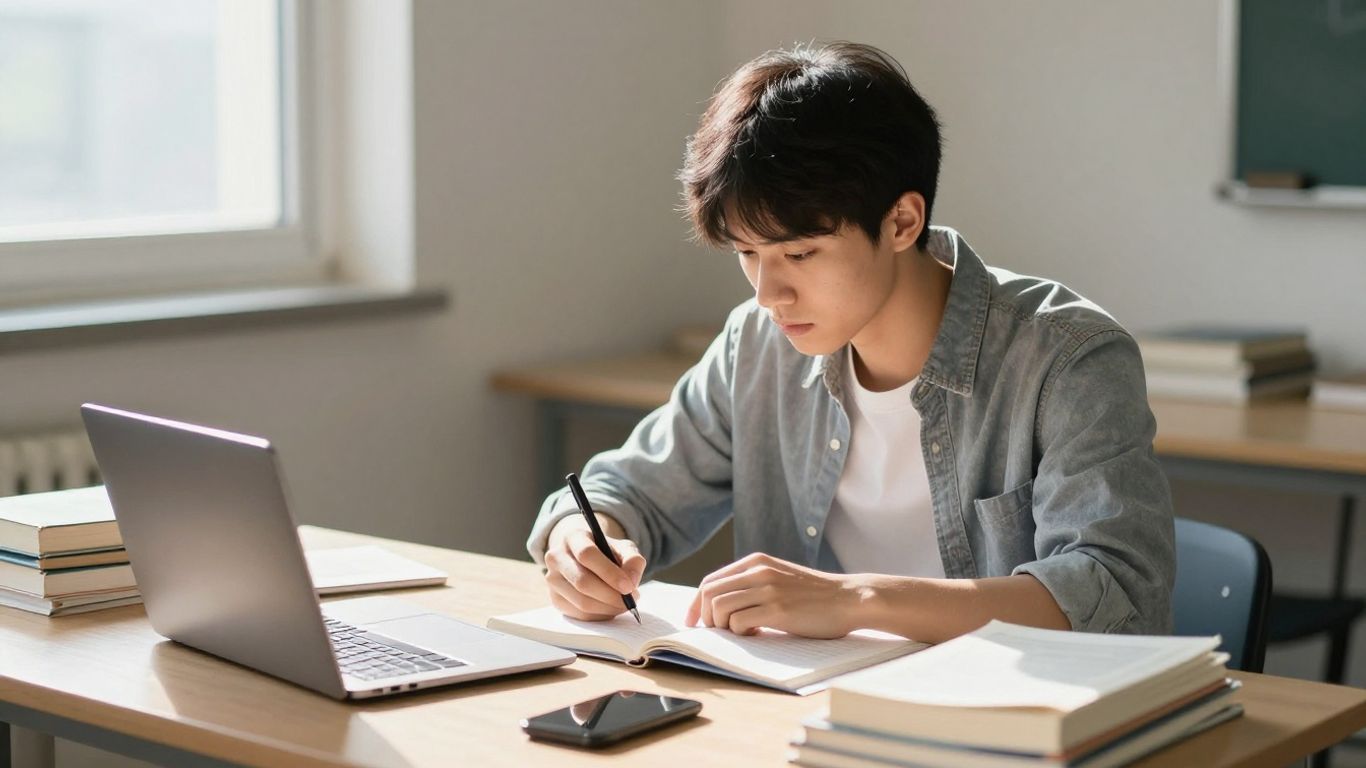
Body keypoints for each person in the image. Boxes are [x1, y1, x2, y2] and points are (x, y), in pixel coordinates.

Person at [527, 41, 1174, 643]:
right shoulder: (757, 347)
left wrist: (853, 601)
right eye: (748, 252)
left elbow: (1112, 590)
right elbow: (627, 493)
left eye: (801, 252)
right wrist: (582, 542)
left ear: (901, 221)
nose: (768, 293)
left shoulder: (1067, 359)